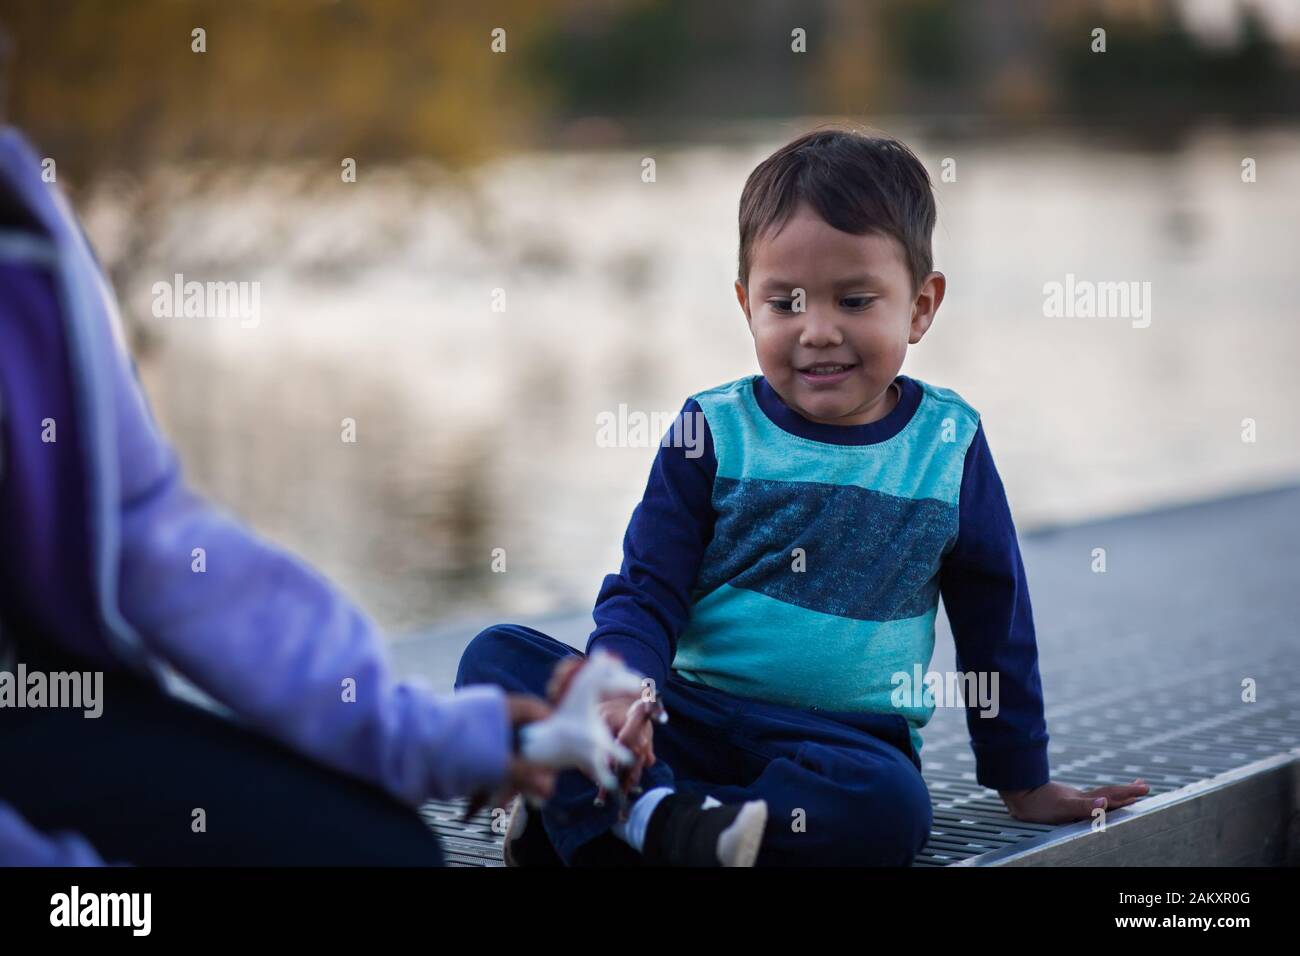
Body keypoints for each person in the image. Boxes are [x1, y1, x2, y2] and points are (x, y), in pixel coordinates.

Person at [457, 127, 1150, 867]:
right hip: (684, 722)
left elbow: (993, 620)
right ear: (744, 304)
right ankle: (650, 817)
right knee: (495, 658)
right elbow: (646, 590)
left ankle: (612, 824)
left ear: (920, 306)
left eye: (854, 300)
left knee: (891, 810)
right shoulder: (714, 432)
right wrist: (622, 690)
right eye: (784, 303)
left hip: (839, 749)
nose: (818, 331)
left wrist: (1022, 778)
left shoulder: (947, 447)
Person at [0, 125, 556, 866]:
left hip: (39, 712)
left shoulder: (25, 222)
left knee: (386, 855)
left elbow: (151, 536)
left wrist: (416, 734)